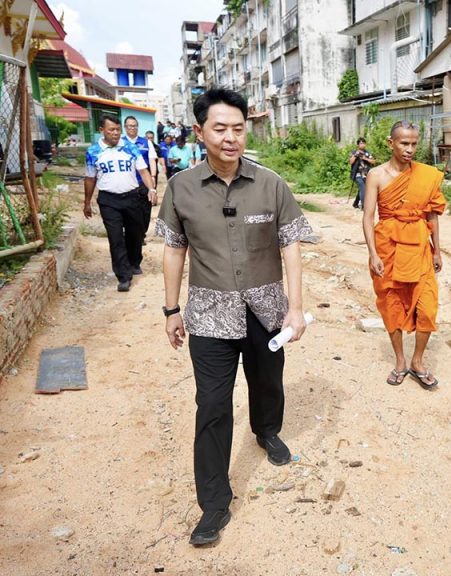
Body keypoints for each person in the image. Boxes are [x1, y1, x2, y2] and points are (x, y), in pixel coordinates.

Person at [156, 87, 312, 547]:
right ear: (199, 131)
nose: (230, 138)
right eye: (220, 128)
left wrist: (295, 308)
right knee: (212, 406)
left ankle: (267, 431)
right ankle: (214, 503)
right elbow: (174, 250)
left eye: (238, 129)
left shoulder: (270, 183)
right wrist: (171, 309)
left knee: (268, 383)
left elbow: (291, 245)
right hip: (209, 315)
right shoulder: (181, 187)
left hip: (265, 310)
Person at [362, 121, 446, 389]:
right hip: (388, 246)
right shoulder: (376, 175)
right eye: (404, 143)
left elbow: (432, 214)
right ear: (391, 143)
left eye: (414, 144)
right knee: (391, 304)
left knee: (428, 306)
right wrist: (373, 254)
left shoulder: (426, 175)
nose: (410, 149)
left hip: (419, 246)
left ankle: (417, 361)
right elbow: (368, 217)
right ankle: (400, 361)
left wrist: (437, 250)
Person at [83, 113, 156, 292]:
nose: (115, 133)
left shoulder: (130, 148)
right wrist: (87, 201)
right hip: (108, 200)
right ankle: (123, 276)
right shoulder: (93, 152)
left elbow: (143, 171)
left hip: (132, 197)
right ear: (102, 130)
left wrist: (152, 189)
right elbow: (90, 178)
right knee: (115, 238)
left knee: (135, 234)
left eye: (117, 130)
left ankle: (134, 262)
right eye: (111, 130)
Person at [121, 116, 158, 249]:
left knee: (145, 210)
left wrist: (153, 177)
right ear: (125, 127)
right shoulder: (120, 143)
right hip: (127, 182)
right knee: (128, 210)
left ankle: (141, 234)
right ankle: (130, 234)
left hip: (143, 182)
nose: (132, 128)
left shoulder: (146, 143)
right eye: (130, 126)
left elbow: (152, 160)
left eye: (135, 126)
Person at [349, 137, 375, 209]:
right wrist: (355, 155)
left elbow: (373, 162)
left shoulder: (367, 153)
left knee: (362, 188)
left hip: (366, 174)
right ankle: (364, 206)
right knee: (363, 188)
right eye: (361, 143)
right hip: (357, 174)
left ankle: (355, 203)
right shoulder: (354, 152)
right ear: (358, 145)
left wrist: (365, 158)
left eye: (364, 143)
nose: (362, 144)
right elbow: (350, 162)